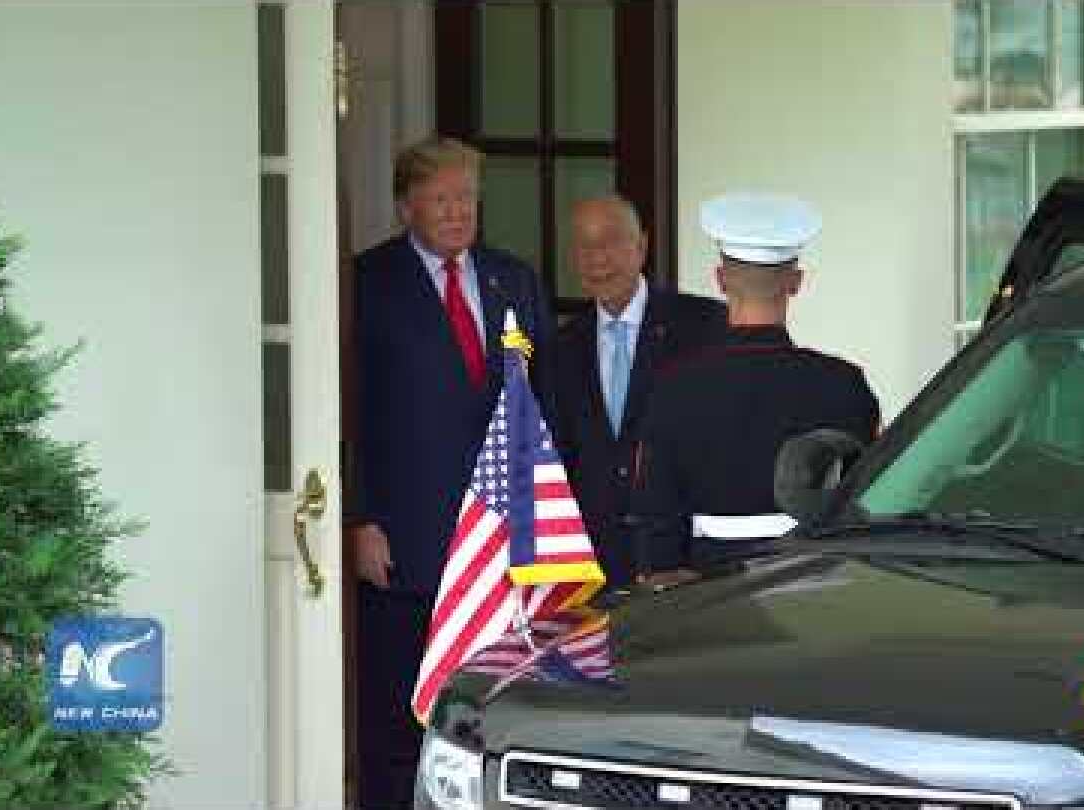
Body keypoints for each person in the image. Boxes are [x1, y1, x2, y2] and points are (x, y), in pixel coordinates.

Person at [346, 135, 552, 809]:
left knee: (488, 709)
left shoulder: (511, 278)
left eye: (467, 197)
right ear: (407, 206)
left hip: (495, 539)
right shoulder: (365, 282)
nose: (459, 211)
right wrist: (359, 518)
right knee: (398, 713)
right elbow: (344, 409)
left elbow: (540, 399)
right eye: (442, 199)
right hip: (403, 536)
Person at [632, 193, 880, 589]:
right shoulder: (844, 383)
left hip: (704, 590)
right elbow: (867, 503)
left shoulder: (675, 387)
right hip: (818, 583)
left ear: (720, 279)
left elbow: (657, 517)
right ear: (796, 283)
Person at [551, 195, 726, 591]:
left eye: (610, 241)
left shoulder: (704, 326)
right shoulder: (559, 348)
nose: (597, 258)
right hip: (590, 569)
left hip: (679, 562)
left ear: (642, 246)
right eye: (584, 245)